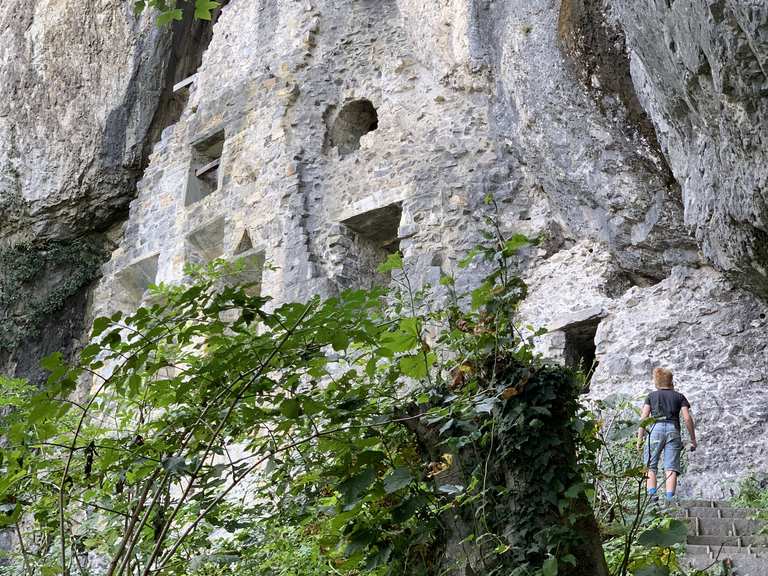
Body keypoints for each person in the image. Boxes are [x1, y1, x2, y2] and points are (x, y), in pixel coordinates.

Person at [637, 367, 697, 502]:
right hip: (673, 430)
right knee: (671, 466)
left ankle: (652, 497)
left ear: (656, 382)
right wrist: (693, 439)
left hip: (655, 429)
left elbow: (643, 418)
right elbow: (687, 418)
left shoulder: (651, 396)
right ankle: (670, 499)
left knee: (650, 465)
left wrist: (639, 439)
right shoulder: (679, 396)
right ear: (671, 381)